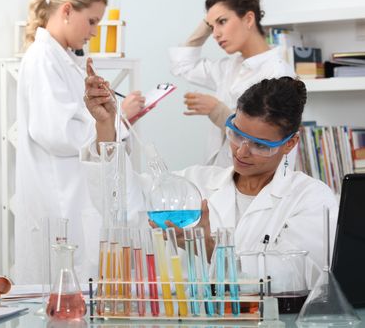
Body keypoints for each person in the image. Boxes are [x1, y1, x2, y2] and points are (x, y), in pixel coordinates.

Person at [82, 76, 338, 285]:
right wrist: (105, 126)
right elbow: (125, 208)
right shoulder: (197, 182)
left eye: (260, 145)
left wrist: (209, 247)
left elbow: (294, 277)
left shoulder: (311, 199)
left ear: (290, 143)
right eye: (236, 134)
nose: (241, 151)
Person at [15, 0, 144, 284]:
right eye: (92, 21)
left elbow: (76, 119)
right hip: (58, 196)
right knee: (63, 287)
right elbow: (55, 132)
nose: (94, 31)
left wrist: (111, 117)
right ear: (68, 11)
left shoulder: (64, 58)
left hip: (75, 192)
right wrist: (115, 119)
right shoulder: (42, 58)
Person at [169, 0, 295, 167]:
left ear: (249, 19)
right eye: (211, 27)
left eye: (222, 22)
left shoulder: (278, 74)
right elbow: (182, 65)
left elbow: (269, 140)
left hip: (255, 185)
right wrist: (206, 23)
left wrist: (219, 111)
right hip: (219, 179)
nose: (215, 34)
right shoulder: (230, 67)